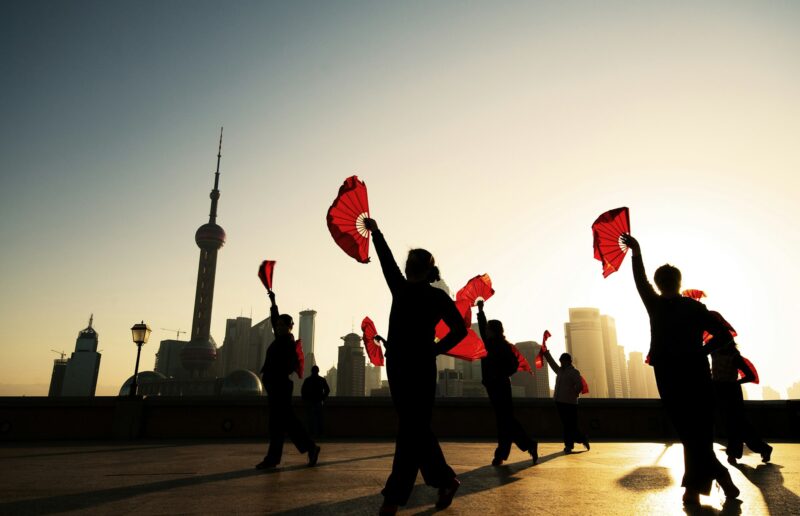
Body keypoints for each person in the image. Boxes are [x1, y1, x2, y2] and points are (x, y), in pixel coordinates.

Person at [621, 234, 739, 505]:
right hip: (697, 374)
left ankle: (709, 483)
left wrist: (636, 253)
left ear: (660, 284)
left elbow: (640, 281)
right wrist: (702, 351)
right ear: (679, 282)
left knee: (689, 434)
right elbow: (723, 335)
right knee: (698, 433)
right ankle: (703, 486)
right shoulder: (695, 308)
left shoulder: (656, 305)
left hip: (669, 375)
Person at [363, 217, 467, 516]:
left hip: (409, 368)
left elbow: (386, 262)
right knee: (415, 428)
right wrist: (435, 349)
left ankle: (393, 498)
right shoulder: (426, 294)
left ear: (416, 268)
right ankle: (445, 480)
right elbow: (458, 331)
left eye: (409, 263)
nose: (404, 267)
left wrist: (378, 233)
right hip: (410, 366)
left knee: (410, 429)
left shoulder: (412, 290)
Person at [257, 290, 320, 469]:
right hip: (276, 385)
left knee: (281, 423)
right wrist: (273, 301)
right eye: (276, 324)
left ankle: (303, 449)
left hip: (280, 386)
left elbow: (289, 367)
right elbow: (273, 318)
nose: (277, 326)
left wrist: (275, 376)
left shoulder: (288, 343)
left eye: (281, 324)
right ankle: (307, 448)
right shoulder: (281, 339)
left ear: (288, 326)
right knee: (284, 422)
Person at [476, 300, 538, 466]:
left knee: (505, 420)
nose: (486, 331)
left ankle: (507, 452)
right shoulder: (494, 344)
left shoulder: (502, 347)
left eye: (489, 329)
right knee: (505, 420)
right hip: (494, 385)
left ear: (493, 331)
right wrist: (481, 311)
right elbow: (482, 327)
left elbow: (513, 365)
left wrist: (500, 374)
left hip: (500, 386)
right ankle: (513, 450)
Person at [710, 341, 772, 465]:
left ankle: (733, 453)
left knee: (734, 424)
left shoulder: (734, 356)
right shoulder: (713, 354)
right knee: (738, 425)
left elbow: (750, 375)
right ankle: (763, 448)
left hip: (731, 393)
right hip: (718, 392)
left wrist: (735, 383)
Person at [542, 348, 589, 454]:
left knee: (570, 425)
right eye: (560, 361)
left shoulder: (574, 372)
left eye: (562, 361)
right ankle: (579, 440)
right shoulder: (560, 371)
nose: (561, 363)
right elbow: (552, 364)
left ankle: (570, 444)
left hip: (570, 403)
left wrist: (573, 393)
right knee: (567, 425)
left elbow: (580, 385)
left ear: (568, 361)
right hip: (559, 401)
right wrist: (546, 354)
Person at [301, 365, 331, 438]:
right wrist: (323, 398)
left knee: (311, 419)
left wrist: (306, 399)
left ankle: (311, 434)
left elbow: (303, 391)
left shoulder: (307, 380)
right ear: (318, 371)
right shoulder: (321, 380)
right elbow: (327, 390)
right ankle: (320, 434)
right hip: (318, 402)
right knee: (319, 419)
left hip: (311, 402)